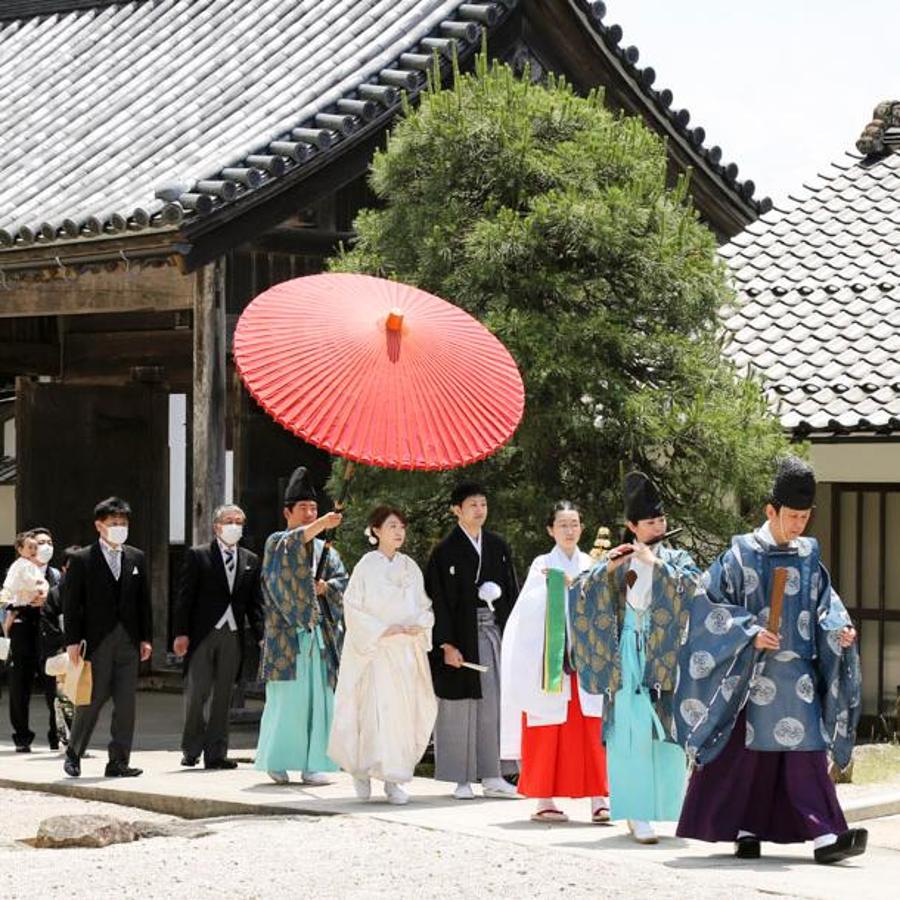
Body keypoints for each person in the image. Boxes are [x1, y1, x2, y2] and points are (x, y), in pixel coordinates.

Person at [675, 456, 866, 865]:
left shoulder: (809, 556)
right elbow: (706, 607)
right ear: (770, 510)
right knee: (746, 760)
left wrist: (839, 629)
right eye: (792, 516)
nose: (799, 525)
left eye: (805, 516)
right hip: (748, 672)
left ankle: (827, 835)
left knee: (806, 754)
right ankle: (746, 828)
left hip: (795, 671)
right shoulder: (739, 556)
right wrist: (747, 632)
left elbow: (824, 607)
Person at [569, 472, 701, 844]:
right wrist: (607, 569)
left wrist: (656, 564)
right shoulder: (616, 558)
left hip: (665, 653)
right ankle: (636, 812)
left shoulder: (677, 557)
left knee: (667, 732)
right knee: (630, 731)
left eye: (661, 521)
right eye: (650, 523)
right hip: (627, 649)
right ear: (632, 526)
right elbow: (579, 593)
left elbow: (696, 588)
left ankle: (665, 809)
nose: (658, 527)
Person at [500, 501, 609, 823]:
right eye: (562, 525)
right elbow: (528, 613)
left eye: (574, 524)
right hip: (551, 663)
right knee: (547, 730)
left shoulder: (592, 563)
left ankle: (598, 798)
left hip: (585, 661)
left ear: (582, 528)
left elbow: (603, 608)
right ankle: (544, 799)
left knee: (591, 730)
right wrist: (555, 589)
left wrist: (577, 587)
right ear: (551, 530)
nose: (569, 530)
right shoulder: (541, 565)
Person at [328, 506, 437, 805]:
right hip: (374, 650)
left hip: (403, 651)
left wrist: (421, 624)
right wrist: (381, 630)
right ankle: (361, 770)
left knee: (402, 715)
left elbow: (423, 605)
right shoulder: (366, 566)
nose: (399, 532)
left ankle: (394, 778)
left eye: (401, 526)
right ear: (376, 531)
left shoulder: (410, 567)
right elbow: (353, 608)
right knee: (372, 712)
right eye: (391, 526)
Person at [425, 481, 519, 800]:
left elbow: (512, 592)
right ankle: (460, 778)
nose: (480, 511)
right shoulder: (444, 552)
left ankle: (494, 774)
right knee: (459, 708)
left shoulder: (497, 546)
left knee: (494, 704)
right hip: (460, 637)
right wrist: (446, 644)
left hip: (492, 631)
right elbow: (437, 601)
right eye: (472, 505)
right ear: (456, 510)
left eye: (483, 504)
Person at [254, 466, 346, 785]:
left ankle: (314, 764)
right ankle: (276, 759)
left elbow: (342, 581)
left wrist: (327, 588)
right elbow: (283, 570)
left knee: (320, 702)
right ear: (287, 512)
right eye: (303, 508)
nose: (310, 513)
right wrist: (321, 524)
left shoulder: (326, 551)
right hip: (287, 636)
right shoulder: (277, 542)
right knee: (287, 703)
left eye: (314, 509)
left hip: (319, 635)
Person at [62, 497, 153, 778]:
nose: (119, 527)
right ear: (99, 526)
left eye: (123, 523)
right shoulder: (82, 559)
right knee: (90, 700)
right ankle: (74, 753)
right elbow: (71, 604)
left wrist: (146, 638)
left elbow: (143, 602)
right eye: (113, 523)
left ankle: (119, 762)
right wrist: (73, 641)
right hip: (96, 640)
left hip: (127, 640)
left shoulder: (136, 557)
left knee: (126, 705)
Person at [173, 504, 264, 770]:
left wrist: (261, 635)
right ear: (217, 526)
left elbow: (254, 603)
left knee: (224, 696)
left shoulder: (250, 560)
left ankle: (216, 753)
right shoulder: (198, 555)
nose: (234, 526)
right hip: (203, 633)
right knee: (198, 693)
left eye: (239, 521)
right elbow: (184, 597)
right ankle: (191, 749)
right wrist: (181, 633)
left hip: (233, 634)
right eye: (229, 521)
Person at [3, 529, 59, 751]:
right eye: (39, 543)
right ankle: (22, 737)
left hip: (48, 633)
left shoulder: (57, 575)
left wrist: (47, 600)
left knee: (53, 686)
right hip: (22, 630)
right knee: (18, 686)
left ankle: (57, 735)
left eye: (49, 542)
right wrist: (15, 607)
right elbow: (5, 598)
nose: (44, 547)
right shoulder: (16, 570)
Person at [41, 545, 81, 748]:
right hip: (63, 652)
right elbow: (47, 620)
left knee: (84, 699)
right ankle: (67, 740)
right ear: (64, 568)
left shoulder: (92, 591)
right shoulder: (56, 593)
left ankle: (80, 740)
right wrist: (64, 642)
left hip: (86, 651)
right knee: (64, 698)